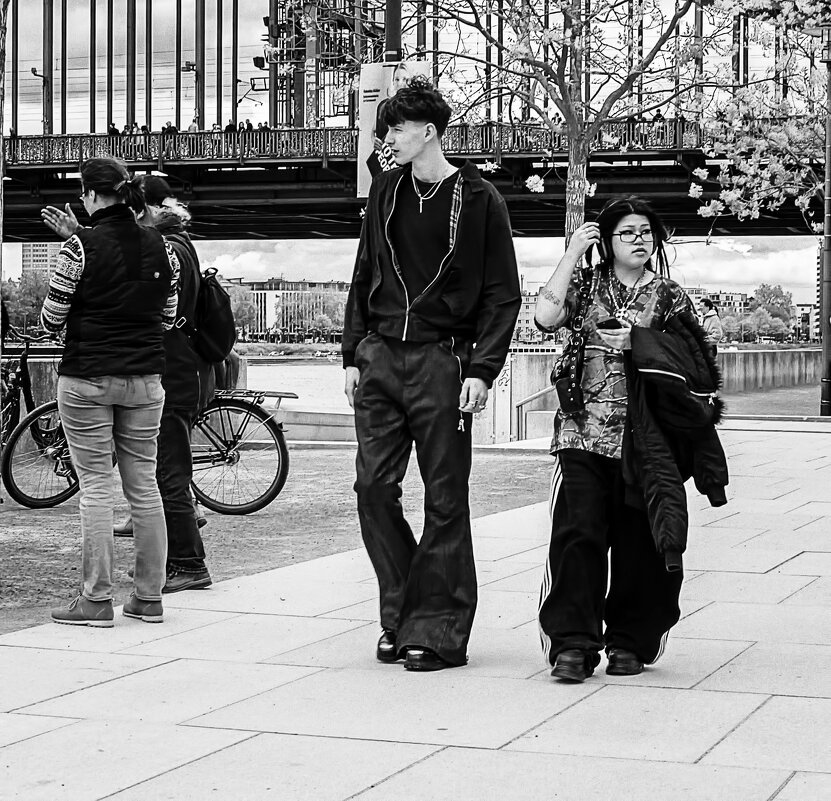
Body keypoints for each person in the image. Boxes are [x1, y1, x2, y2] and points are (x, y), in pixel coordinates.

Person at [343, 78, 521, 672]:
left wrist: (483, 367)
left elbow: (502, 294)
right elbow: (363, 271)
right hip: (381, 358)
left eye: (397, 128)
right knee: (373, 489)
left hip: (444, 360)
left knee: (445, 498)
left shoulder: (480, 198)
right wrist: (351, 352)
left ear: (429, 132)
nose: (388, 137)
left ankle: (438, 628)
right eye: (386, 128)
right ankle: (401, 610)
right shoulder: (386, 192)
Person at [533, 196, 727, 682]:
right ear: (608, 241)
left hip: (647, 441)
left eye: (646, 232)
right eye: (628, 232)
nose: (640, 240)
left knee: (641, 542)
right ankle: (573, 644)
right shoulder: (585, 282)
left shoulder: (670, 296)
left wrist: (639, 343)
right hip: (582, 433)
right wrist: (573, 253)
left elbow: (700, 364)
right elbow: (544, 316)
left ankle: (630, 641)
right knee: (577, 536)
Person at [42, 176, 214, 593]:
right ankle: (149, 595)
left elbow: (51, 319)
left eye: (84, 192)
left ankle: (96, 597)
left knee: (97, 489)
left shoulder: (78, 248)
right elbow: (167, 315)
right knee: (144, 485)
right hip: (146, 379)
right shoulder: (163, 248)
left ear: (94, 196)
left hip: (88, 376)